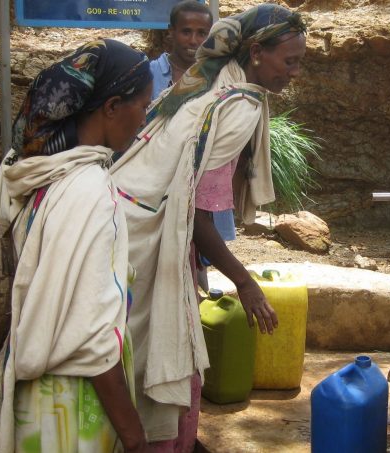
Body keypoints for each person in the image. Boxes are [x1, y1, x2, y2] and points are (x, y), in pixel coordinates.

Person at [109, 4, 306, 449]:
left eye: (300, 62)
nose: (295, 73)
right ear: (256, 51)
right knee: (164, 368)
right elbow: (194, 215)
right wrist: (245, 281)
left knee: (124, 357)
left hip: (120, 220)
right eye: (289, 61)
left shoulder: (208, 83)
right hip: (145, 241)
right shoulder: (239, 106)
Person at [0, 39, 154, 452]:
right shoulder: (90, 190)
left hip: (28, 400)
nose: (144, 120)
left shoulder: (33, 171)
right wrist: (135, 437)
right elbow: (92, 339)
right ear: (111, 107)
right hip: (72, 408)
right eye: (143, 106)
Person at [150, 0, 213, 100]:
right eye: (186, 32)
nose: (193, 41)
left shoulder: (216, 76)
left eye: (201, 33)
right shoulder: (149, 74)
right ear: (171, 31)